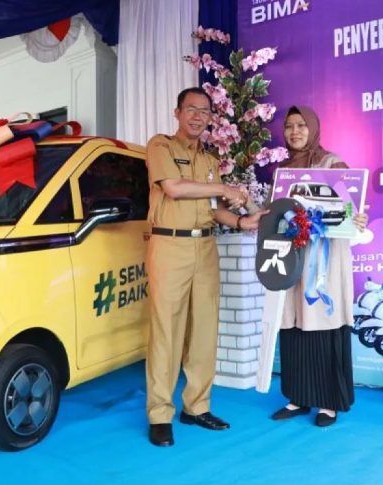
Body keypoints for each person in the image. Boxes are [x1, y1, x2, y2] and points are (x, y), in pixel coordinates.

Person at [145, 87, 266, 447]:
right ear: (177, 111)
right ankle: (160, 413)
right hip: (169, 245)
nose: (198, 117)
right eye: (191, 109)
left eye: (205, 111)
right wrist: (228, 187)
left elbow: (212, 208)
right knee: (167, 330)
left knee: (204, 330)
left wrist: (242, 222)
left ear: (212, 118)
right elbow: (176, 189)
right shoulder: (161, 146)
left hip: (205, 246)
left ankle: (196, 407)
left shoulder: (210, 160)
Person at [270, 106, 367, 427]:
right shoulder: (283, 171)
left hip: (325, 259)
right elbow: (277, 215)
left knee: (323, 320)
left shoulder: (333, 164)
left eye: (301, 125)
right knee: (294, 322)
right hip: (294, 257)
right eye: (289, 126)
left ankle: (328, 402)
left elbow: (351, 210)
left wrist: (357, 216)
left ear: (313, 128)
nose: (295, 131)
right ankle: (298, 397)